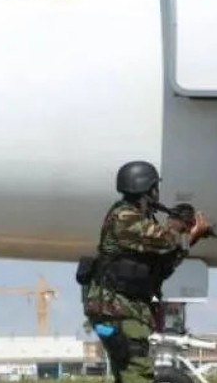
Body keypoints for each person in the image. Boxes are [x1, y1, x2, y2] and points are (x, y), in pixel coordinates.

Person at [77, 161, 210, 383]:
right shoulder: (124, 217)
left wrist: (190, 239)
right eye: (155, 188)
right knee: (138, 373)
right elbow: (167, 239)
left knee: (130, 374)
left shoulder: (140, 219)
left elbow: (161, 266)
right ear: (148, 190)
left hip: (126, 310)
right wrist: (184, 229)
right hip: (117, 310)